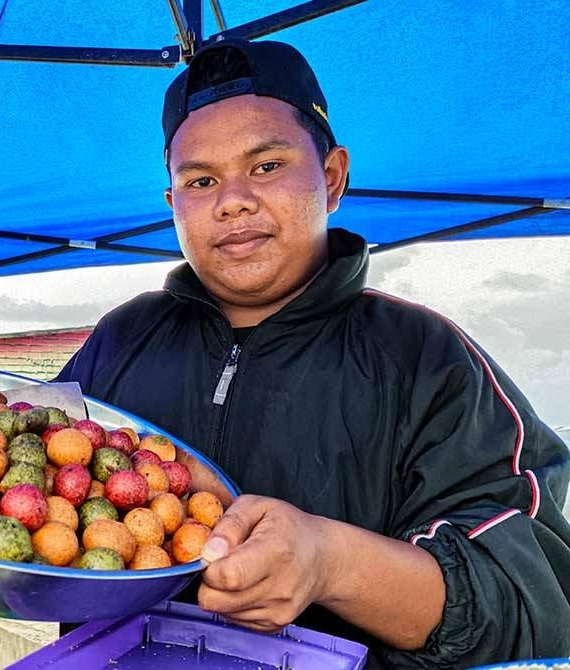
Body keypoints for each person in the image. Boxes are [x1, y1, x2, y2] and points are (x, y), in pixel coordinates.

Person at [50, 38, 570, 668]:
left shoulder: (428, 357)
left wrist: (329, 561)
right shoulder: (121, 338)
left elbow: (527, 600)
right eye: (200, 180)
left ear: (331, 177)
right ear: (172, 205)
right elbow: (5, 463)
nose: (232, 200)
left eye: (266, 166)